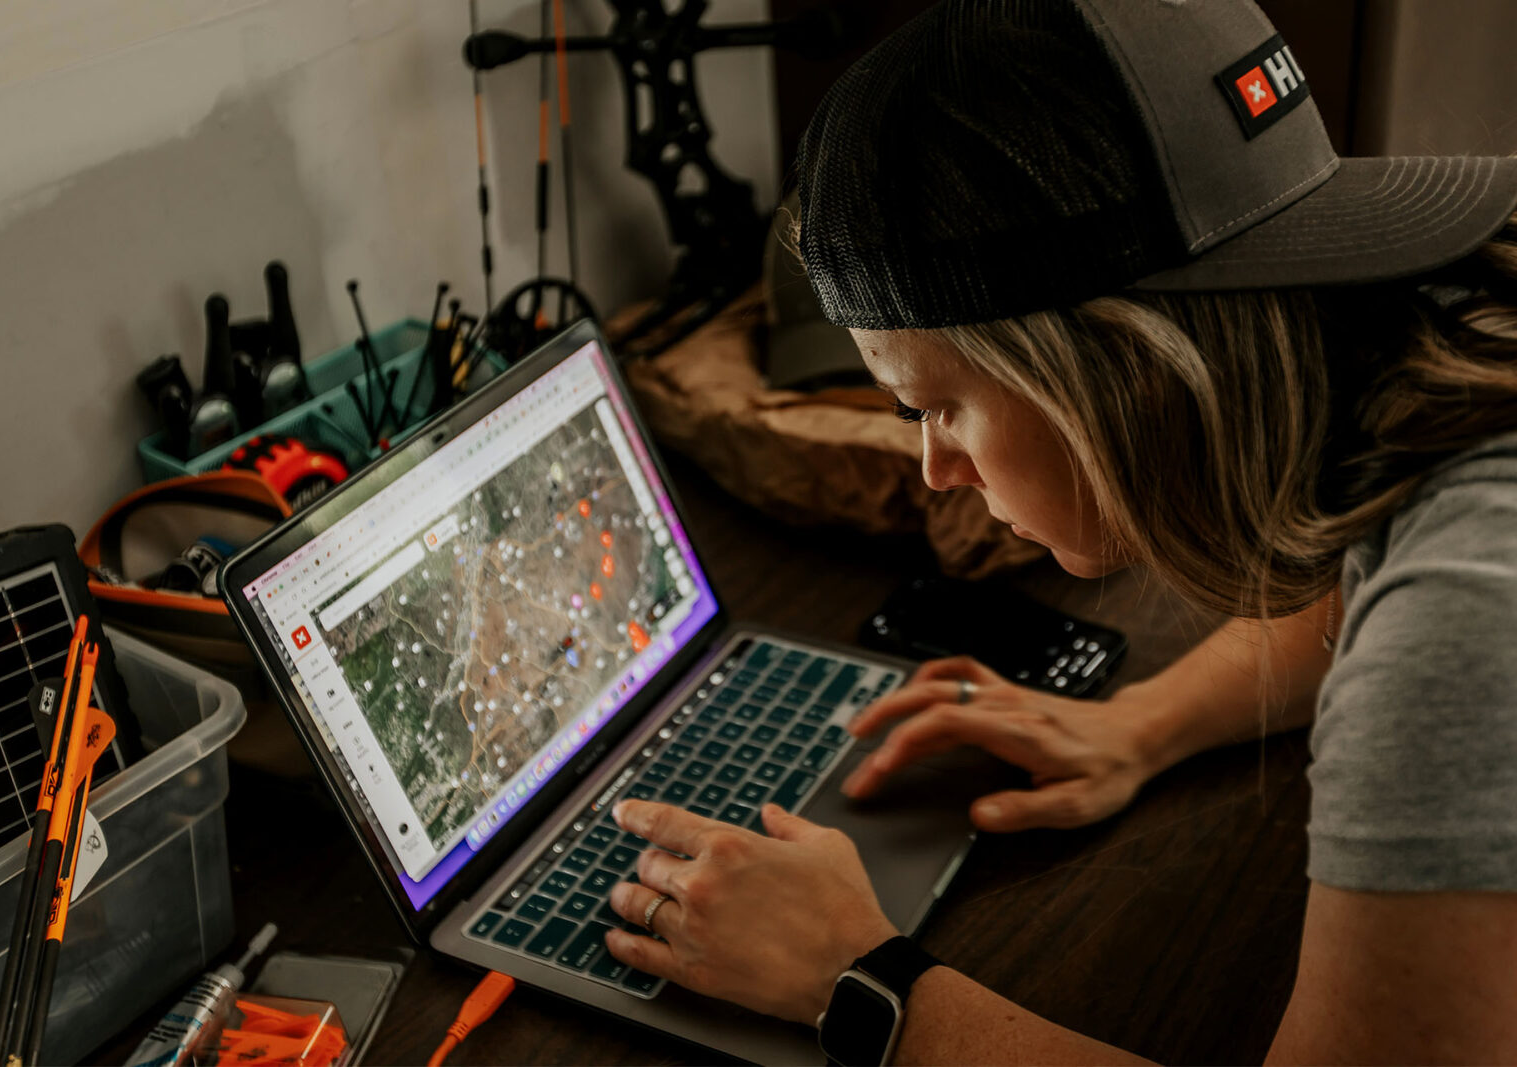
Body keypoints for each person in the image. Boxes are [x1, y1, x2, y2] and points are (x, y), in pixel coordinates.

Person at [596, 0, 1517, 1062]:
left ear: (1110, 367)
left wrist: (852, 978)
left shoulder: (1461, 622)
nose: (936, 466)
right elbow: (1363, 582)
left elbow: (1437, 646)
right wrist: (1143, 720)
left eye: (933, 404)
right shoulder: (1441, 339)